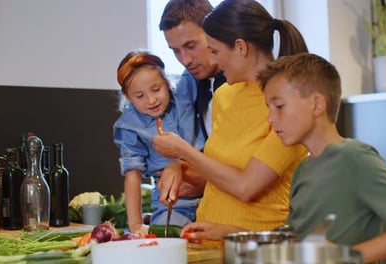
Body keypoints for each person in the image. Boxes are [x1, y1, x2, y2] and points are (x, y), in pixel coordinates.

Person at [182, 53, 386, 263]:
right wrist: (230, 232)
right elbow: (295, 241)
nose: (271, 119)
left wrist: (351, 256)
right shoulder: (305, 169)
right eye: (269, 109)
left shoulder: (354, 157)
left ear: (317, 105)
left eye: (279, 107)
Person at [153, 0, 308, 232]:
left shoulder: (290, 106)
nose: (213, 61)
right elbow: (219, 170)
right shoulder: (224, 95)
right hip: (205, 238)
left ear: (241, 47)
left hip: (256, 248)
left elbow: (246, 186)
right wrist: (178, 167)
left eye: (214, 51)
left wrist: (182, 150)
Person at [113, 51, 206, 235]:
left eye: (156, 89)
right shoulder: (130, 126)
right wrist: (136, 225)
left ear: (167, 82)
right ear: (128, 97)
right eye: (139, 96)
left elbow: (198, 58)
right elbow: (133, 176)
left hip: (213, 191)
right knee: (168, 239)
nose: (152, 100)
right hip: (174, 203)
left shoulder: (183, 93)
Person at [159, 0, 226, 141]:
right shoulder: (187, 86)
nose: (185, 60)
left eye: (190, 46)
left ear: (213, 33)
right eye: (176, 51)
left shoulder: (248, 80)